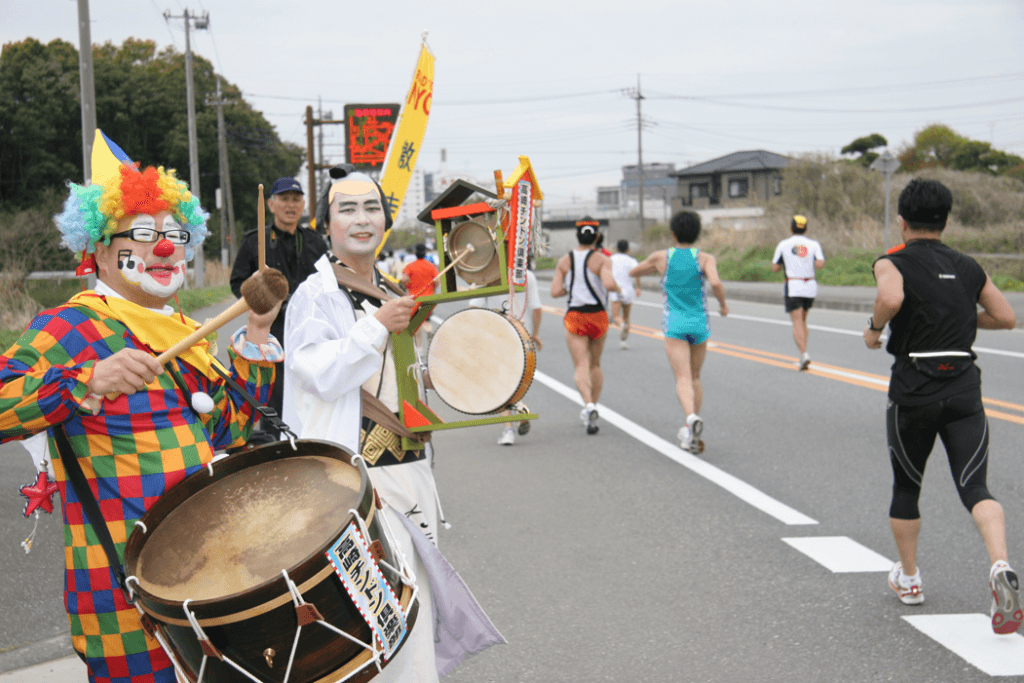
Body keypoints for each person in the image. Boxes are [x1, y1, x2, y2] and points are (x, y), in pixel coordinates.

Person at [0, 147, 284, 682]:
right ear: (98, 253)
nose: (162, 247)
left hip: (208, 572)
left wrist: (259, 334)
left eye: (174, 235)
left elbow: (233, 426)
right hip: (121, 589)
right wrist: (86, 382)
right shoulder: (71, 328)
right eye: (140, 233)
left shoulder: (179, 328)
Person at [282, 164, 503, 681]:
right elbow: (318, 373)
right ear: (326, 224)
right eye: (347, 209)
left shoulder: (386, 284)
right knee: (388, 616)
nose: (362, 219)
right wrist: (377, 326)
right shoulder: (316, 295)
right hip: (356, 482)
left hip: (408, 471)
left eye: (372, 208)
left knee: (414, 607)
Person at [863, 178, 1020, 633]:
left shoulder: (891, 261)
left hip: (914, 390)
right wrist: (957, 315)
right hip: (964, 390)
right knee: (977, 488)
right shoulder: (968, 266)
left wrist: (874, 329)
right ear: (946, 221)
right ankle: (999, 566)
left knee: (907, 486)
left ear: (902, 221)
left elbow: (891, 298)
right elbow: (1006, 317)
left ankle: (909, 580)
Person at [229, 177, 327, 441]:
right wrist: (260, 297)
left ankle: (314, 443)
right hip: (273, 332)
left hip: (310, 331)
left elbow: (330, 285)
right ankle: (276, 447)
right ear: (271, 204)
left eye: (296, 199)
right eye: (284, 199)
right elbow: (237, 282)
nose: (290, 205)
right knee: (273, 394)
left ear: (304, 204)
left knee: (311, 392)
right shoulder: (255, 241)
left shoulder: (316, 242)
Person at [630, 211, 728, 452]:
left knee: (682, 377)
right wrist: (723, 305)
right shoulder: (705, 258)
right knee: (695, 377)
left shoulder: (661, 257)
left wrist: (651, 269)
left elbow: (634, 272)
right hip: (699, 323)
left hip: (674, 324)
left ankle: (690, 418)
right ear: (696, 234)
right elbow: (715, 283)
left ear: (673, 233)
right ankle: (690, 426)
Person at [551, 218, 620, 434]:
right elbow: (608, 284)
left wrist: (570, 288)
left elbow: (555, 292)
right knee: (595, 365)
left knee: (581, 365)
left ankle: (588, 404)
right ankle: (594, 408)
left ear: (577, 235)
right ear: (597, 236)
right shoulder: (601, 259)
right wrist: (618, 287)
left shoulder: (564, 261)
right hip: (598, 316)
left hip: (576, 316)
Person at [469, 260, 543, 446]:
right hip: (521, 333)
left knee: (501, 383)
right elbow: (536, 308)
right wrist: (535, 333)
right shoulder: (526, 275)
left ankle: (508, 429)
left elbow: (473, 308)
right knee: (516, 379)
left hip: (496, 333)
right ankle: (521, 408)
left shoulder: (485, 276)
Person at [771, 215, 825, 370]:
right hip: (810, 285)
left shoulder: (783, 244)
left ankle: (804, 353)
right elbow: (820, 264)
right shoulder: (814, 244)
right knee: (803, 320)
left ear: (790, 228)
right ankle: (804, 353)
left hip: (793, 284)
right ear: (806, 229)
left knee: (797, 321)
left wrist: (786, 263)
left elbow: (774, 267)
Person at [609, 239, 641, 349]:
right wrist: (638, 288)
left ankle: (622, 325)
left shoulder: (611, 259)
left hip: (616, 290)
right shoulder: (632, 261)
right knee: (626, 317)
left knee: (616, 316)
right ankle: (623, 341)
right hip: (629, 290)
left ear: (616, 249)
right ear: (628, 249)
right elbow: (637, 274)